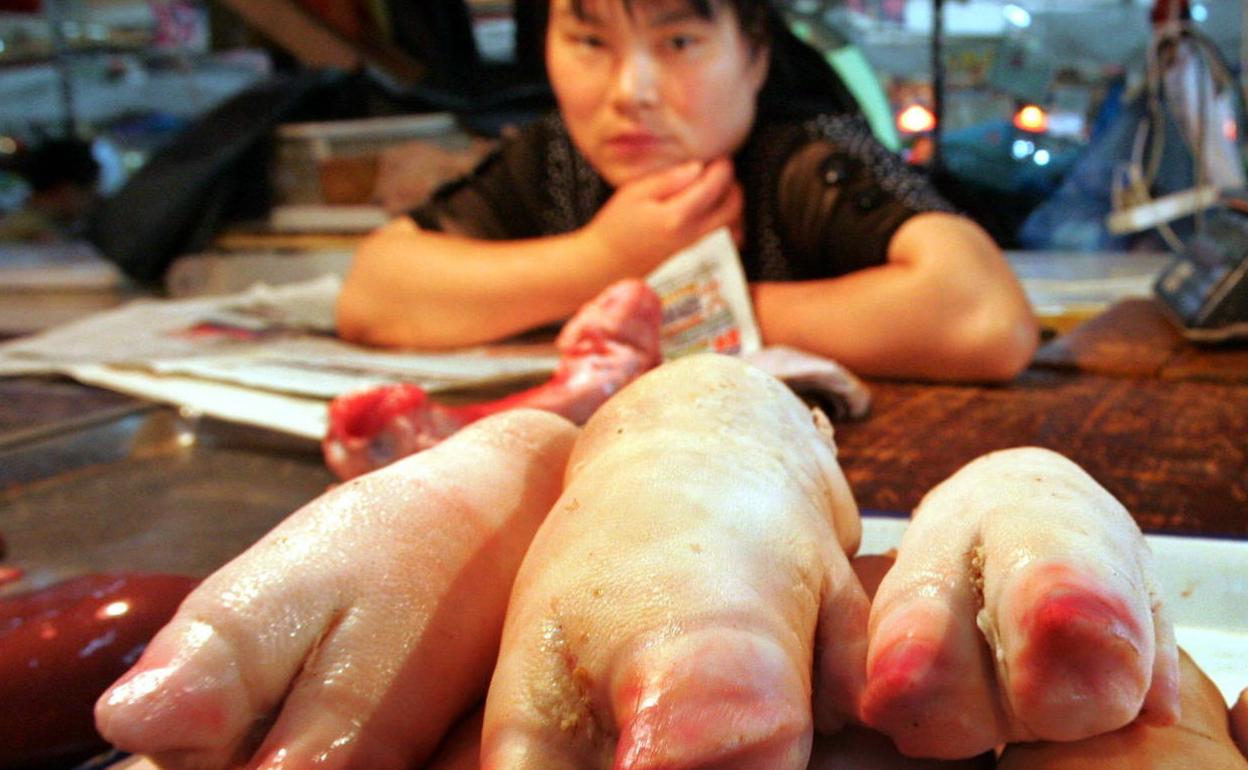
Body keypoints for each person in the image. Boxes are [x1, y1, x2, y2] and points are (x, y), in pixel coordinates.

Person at [336, 0, 1038, 382]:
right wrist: (606, 258)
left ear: (754, 54)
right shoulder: (553, 159)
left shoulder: (807, 156)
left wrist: (687, 308)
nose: (629, 92)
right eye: (590, 42)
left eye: (677, 44)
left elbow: (983, 318)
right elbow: (374, 296)